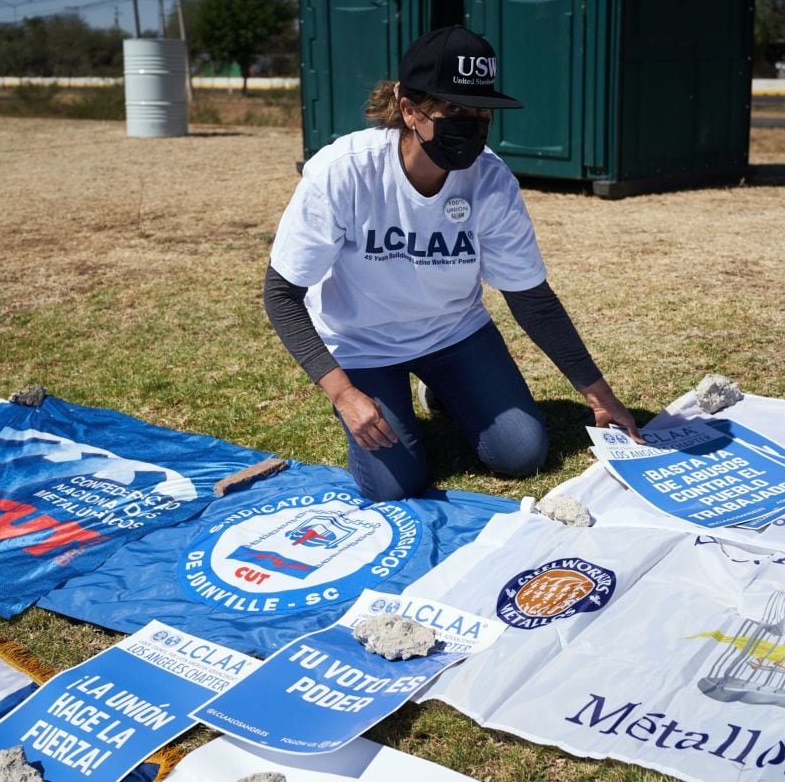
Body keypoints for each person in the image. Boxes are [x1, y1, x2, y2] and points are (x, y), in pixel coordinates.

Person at [263, 25, 641, 501]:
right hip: (362, 343)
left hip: (453, 332)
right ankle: (388, 395)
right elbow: (281, 294)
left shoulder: (492, 180)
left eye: (481, 112)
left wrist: (598, 395)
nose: (472, 124)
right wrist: (343, 393)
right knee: (392, 486)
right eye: (454, 110)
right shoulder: (344, 171)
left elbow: (531, 299)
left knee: (521, 454)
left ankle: (442, 389)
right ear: (409, 110)